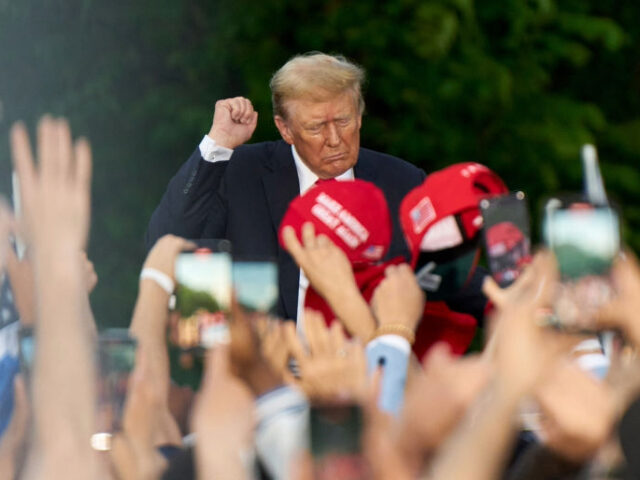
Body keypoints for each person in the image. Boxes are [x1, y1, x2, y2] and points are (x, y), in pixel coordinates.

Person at [146, 52, 426, 321]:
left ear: (360, 115)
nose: (334, 139)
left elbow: (439, 286)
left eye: (344, 121)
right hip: (264, 365)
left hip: (372, 364)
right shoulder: (240, 173)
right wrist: (217, 144)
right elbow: (166, 244)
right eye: (316, 127)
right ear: (285, 129)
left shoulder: (403, 183)